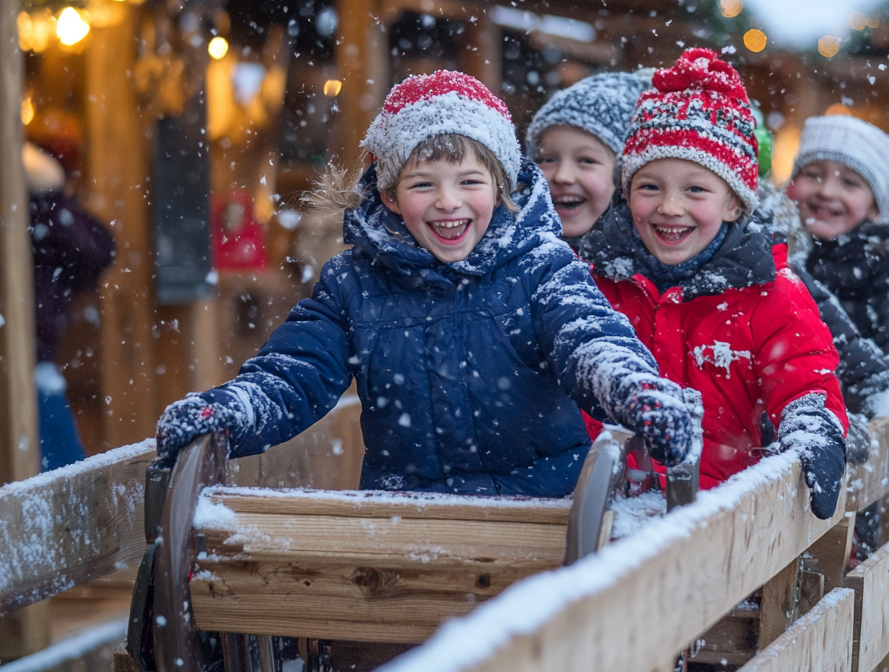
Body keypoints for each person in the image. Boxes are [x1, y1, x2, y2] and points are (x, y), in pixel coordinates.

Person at [155, 71, 702, 496]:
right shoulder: (355, 284)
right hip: (406, 523)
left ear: (502, 187)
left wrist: (633, 389)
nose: (448, 201)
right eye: (423, 184)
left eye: (469, 182)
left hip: (539, 520)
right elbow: (296, 371)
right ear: (390, 196)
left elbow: (589, 339)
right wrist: (236, 409)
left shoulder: (540, 267)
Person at [576, 48, 848, 519]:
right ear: (626, 193)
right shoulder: (596, 282)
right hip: (605, 513)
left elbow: (804, 373)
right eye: (650, 187)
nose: (670, 207)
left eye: (695, 189)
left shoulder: (770, 294)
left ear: (734, 205)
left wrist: (811, 425)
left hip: (719, 518)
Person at [786, 114, 889, 510]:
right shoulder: (776, 253)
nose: (827, 191)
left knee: (856, 511)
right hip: (799, 413)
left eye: (849, 182)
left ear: (875, 206)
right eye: (813, 174)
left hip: (860, 419)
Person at [23, 142, 115, 471]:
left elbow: (97, 252)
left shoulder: (41, 214)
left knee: (64, 482)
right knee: (65, 487)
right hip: (27, 365)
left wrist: (47, 194)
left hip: (31, 365)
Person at [526, 70, 651, 241]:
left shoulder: (651, 261)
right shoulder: (505, 249)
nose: (562, 176)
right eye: (547, 159)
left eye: (586, 160)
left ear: (625, 176)